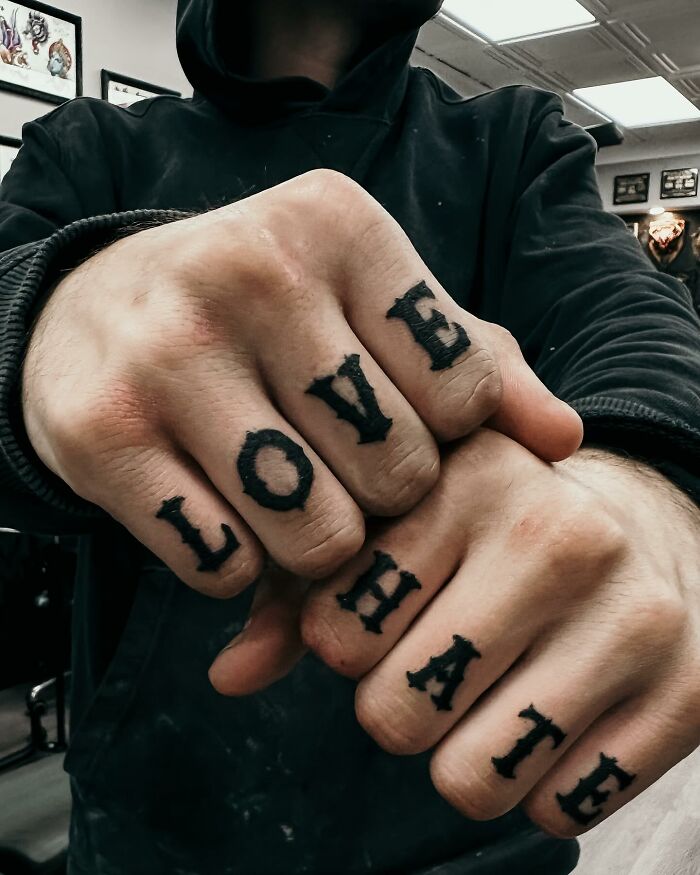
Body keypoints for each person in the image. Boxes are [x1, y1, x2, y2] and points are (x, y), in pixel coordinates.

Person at [0, 1, 698, 873]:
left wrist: (653, 480)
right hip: (160, 822)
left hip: (468, 831)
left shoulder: (512, 140)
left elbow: (635, 322)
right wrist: (44, 321)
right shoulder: (88, 146)